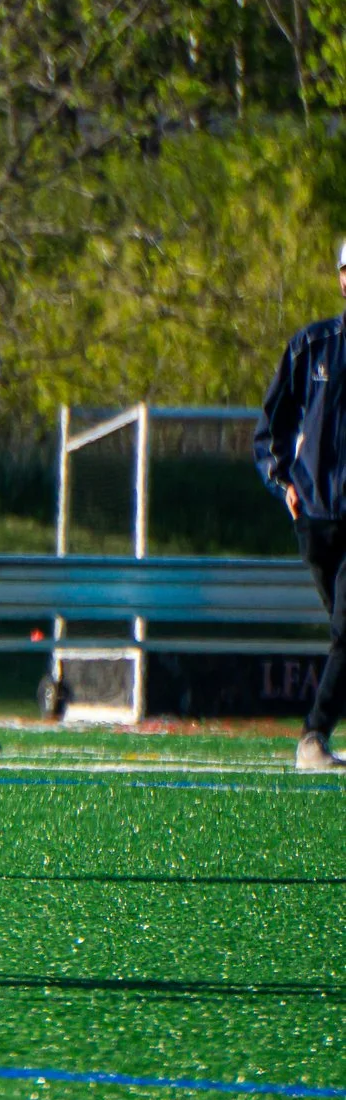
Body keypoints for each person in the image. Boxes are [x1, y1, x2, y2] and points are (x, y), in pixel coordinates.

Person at [253, 238, 346, 773]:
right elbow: (268, 432)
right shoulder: (311, 346)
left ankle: (313, 735)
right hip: (315, 519)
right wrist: (281, 482)